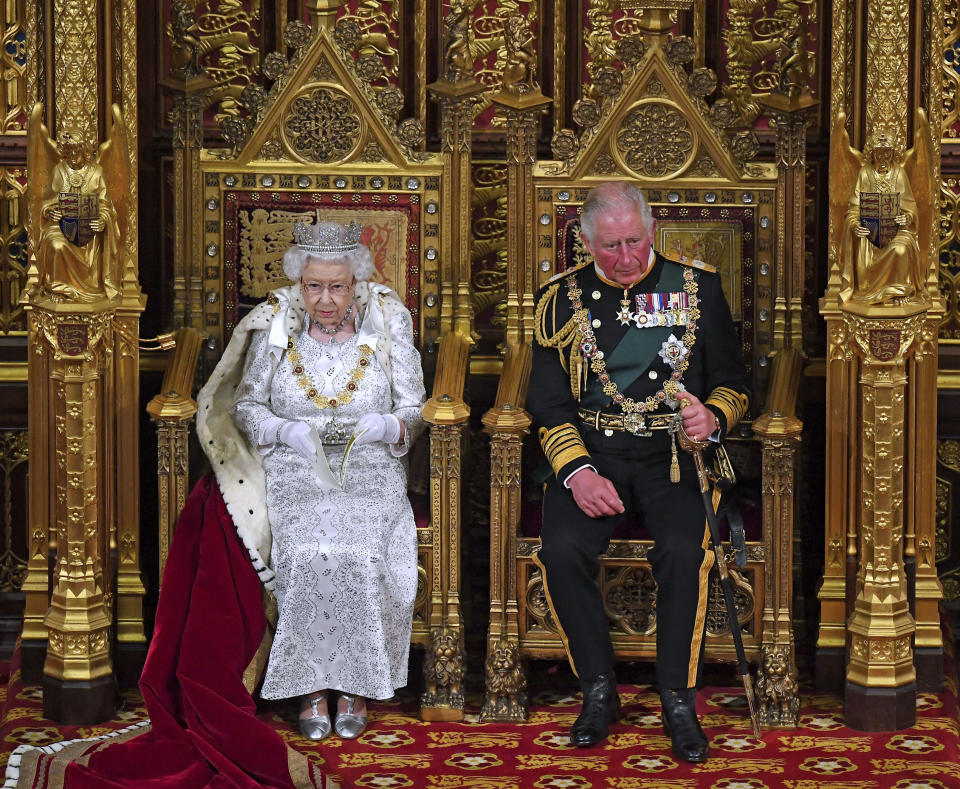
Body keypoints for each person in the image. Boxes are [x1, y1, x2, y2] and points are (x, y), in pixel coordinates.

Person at [529, 181, 750, 762]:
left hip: (675, 458)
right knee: (561, 550)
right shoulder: (560, 299)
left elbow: (734, 382)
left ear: (653, 232)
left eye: (634, 242)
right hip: (594, 456)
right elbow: (549, 404)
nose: (625, 259)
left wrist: (714, 415)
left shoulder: (698, 288)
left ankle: (678, 699)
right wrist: (577, 472)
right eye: (609, 247)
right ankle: (598, 689)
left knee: (683, 549)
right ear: (585, 242)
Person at [205, 215, 426, 741]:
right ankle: (310, 687)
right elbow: (248, 404)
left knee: (358, 549)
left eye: (338, 286)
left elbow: (416, 407)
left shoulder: (389, 320)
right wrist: (284, 432)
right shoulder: (276, 322)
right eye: (313, 286)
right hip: (293, 464)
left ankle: (353, 685)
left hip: (369, 464)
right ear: (298, 282)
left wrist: (391, 424)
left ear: (357, 283)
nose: (325, 299)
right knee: (307, 548)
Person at [841, 132, 923, 304]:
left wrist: (907, 218)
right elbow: (853, 210)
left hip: (896, 232)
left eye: (887, 153)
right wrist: (856, 225)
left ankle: (898, 292)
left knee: (900, 250)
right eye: (879, 152)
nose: (883, 157)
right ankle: (867, 290)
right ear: (872, 152)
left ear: (893, 154)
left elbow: (911, 208)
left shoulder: (899, 174)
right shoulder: (865, 173)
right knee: (864, 260)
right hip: (870, 235)